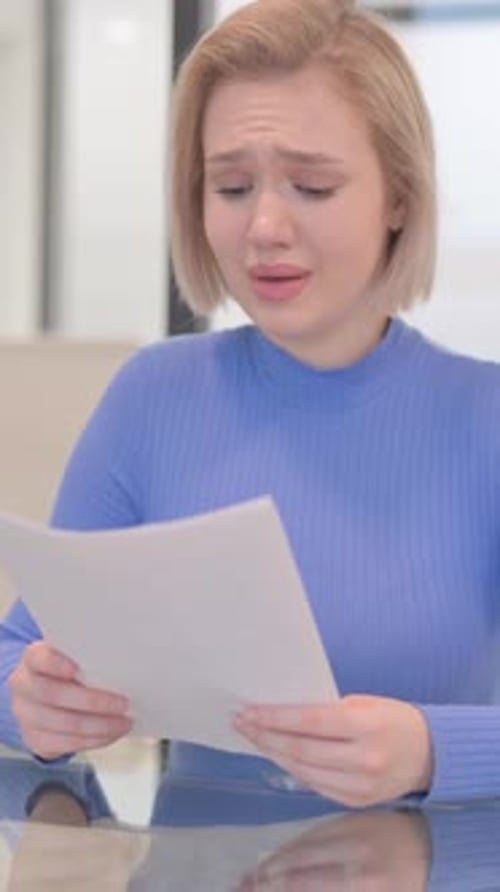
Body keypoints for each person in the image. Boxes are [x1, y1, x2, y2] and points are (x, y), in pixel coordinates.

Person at [0, 0, 499, 808]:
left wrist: (435, 751)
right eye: (231, 186)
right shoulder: (152, 398)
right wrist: (34, 703)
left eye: (312, 185)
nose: (264, 226)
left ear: (399, 197)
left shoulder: (484, 418)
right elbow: (21, 648)